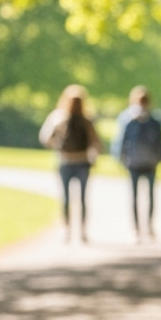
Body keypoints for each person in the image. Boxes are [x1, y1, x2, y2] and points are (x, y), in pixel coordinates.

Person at [39, 84, 101, 243]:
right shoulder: (84, 119)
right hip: (79, 161)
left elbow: (45, 138)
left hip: (67, 161)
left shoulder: (60, 117)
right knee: (79, 199)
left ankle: (70, 229)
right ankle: (79, 230)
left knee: (68, 198)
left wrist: (58, 146)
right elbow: (96, 142)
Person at [113, 85, 161, 242]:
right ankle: (138, 228)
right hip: (137, 164)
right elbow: (121, 141)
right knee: (137, 197)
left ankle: (146, 227)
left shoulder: (152, 120)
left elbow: (160, 142)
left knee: (145, 197)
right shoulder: (131, 119)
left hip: (146, 163)